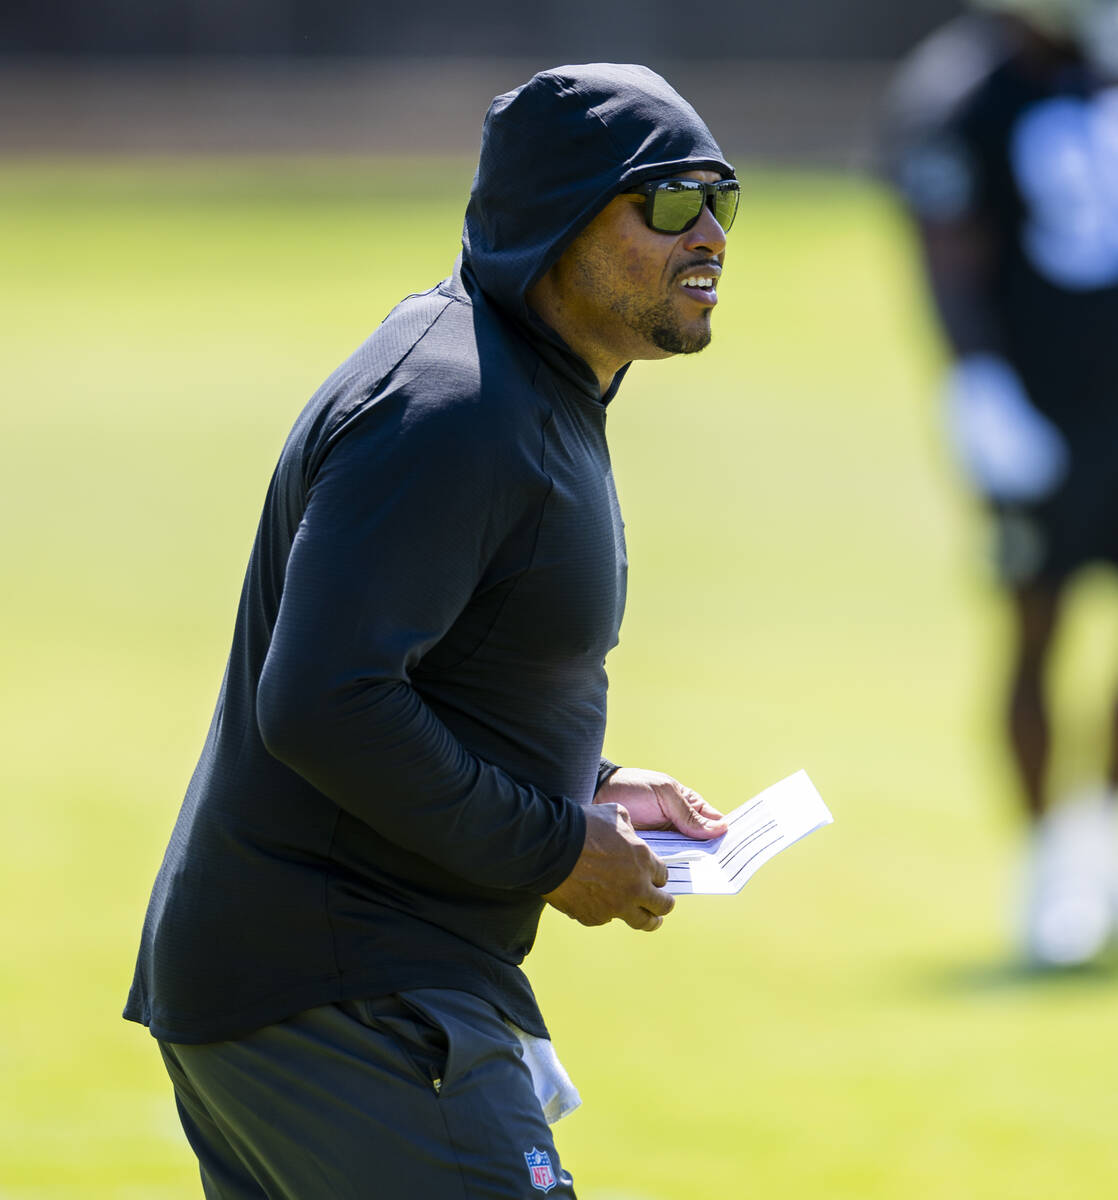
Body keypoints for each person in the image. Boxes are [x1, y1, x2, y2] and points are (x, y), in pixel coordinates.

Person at [125, 63, 740, 1198]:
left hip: (337, 981)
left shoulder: (524, 385)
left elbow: (430, 672)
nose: (706, 233)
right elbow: (324, 698)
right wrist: (556, 847)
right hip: (341, 989)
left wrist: (583, 784)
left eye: (721, 201)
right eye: (665, 202)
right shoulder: (455, 406)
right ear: (558, 214)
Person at [883, 0, 1118, 966]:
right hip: (1038, 407)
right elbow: (945, 248)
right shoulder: (959, 89)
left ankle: (1102, 841)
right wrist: (978, 381)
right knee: (1036, 627)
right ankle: (1045, 861)